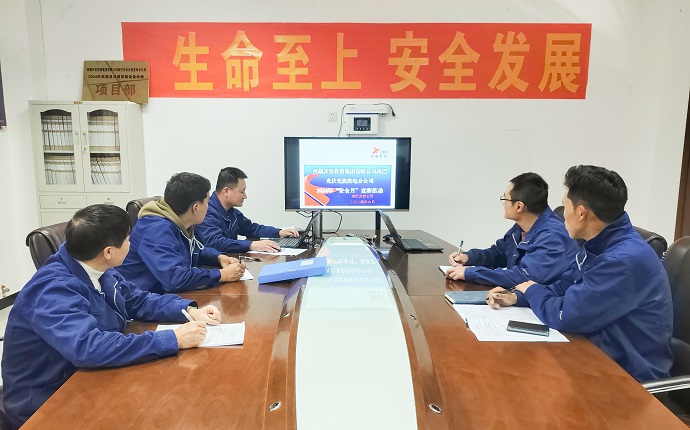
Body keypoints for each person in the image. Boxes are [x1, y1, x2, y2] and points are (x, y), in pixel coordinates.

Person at [1, 205, 220, 429]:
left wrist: (188, 311)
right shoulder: (54, 290)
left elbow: (136, 299)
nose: (131, 244)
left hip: (90, 377)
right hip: (48, 400)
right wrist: (172, 339)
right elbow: (89, 348)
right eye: (128, 239)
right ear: (108, 251)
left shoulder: (94, 264)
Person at [487, 165, 673, 382]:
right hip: (593, 356)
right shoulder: (598, 242)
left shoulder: (623, 260)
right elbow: (565, 285)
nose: (561, 216)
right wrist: (518, 296)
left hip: (629, 378)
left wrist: (532, 290)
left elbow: (566, 314)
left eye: (565, 206)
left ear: (581, 213)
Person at [117, 172, 245, 294]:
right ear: (196, 208)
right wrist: (222, 275)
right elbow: (174, 279)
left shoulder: (179, 222)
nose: (208, 207)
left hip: (165, 296)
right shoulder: (157, 231)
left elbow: (195, 249)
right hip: (143, 300)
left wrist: (219, 258)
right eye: (207, 202)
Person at [446, 172, 577, 287]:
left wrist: (471, 273)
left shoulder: (552, 236)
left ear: (519, 207)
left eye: (505, 199)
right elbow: (499, 253)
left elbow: (525, 276)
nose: (503, 204)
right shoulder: (522, 226)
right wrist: (468, 257)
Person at [195, 167, 299, 253]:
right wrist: (252, 245)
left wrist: (279, 232)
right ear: (226, 191)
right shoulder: (207, 211)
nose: (245, 196)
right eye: (242, 191)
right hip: (211, 266)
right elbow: (216, 242)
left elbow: (252, 229)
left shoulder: (232, 212)